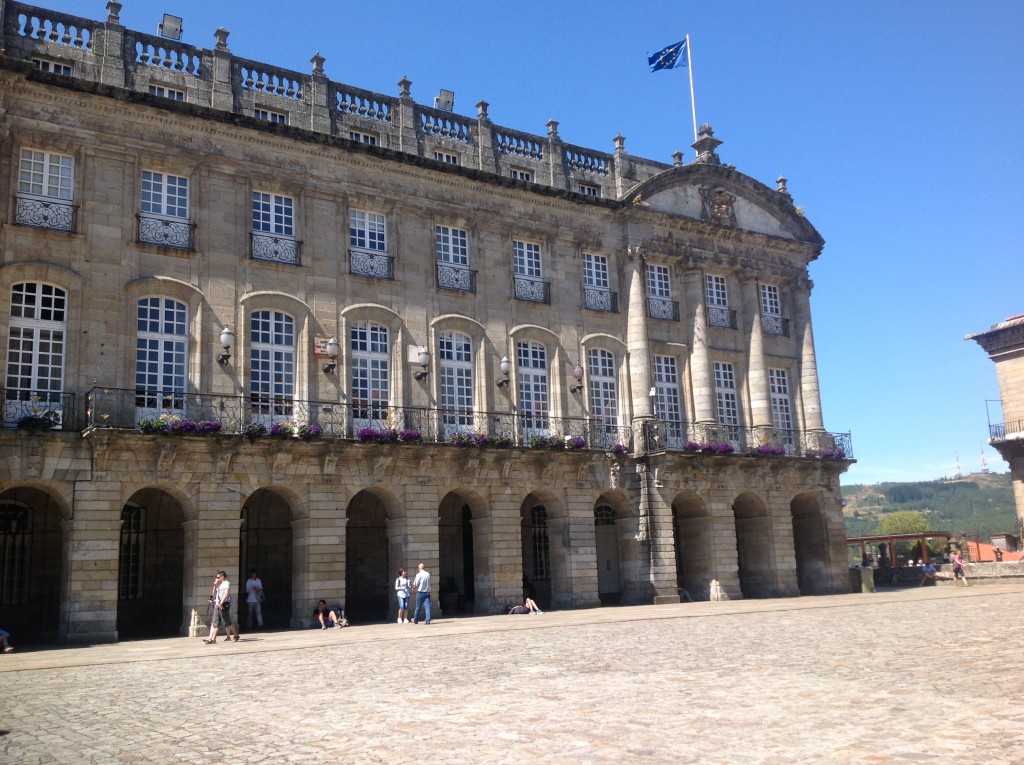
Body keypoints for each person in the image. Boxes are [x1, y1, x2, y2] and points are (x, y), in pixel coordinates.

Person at [204, 570, 240, 644]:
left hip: (223, 604)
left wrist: (221, 603)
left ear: (222, 577)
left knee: (227, 621)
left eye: (218, 577)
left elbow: (226, 593)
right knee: (215, 621)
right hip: (217, 604)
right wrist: (215, 585)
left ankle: (236, 635)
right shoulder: (219, 584)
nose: (217, 578)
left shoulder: (226, 583)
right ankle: (212, 638)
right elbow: (214, 594)